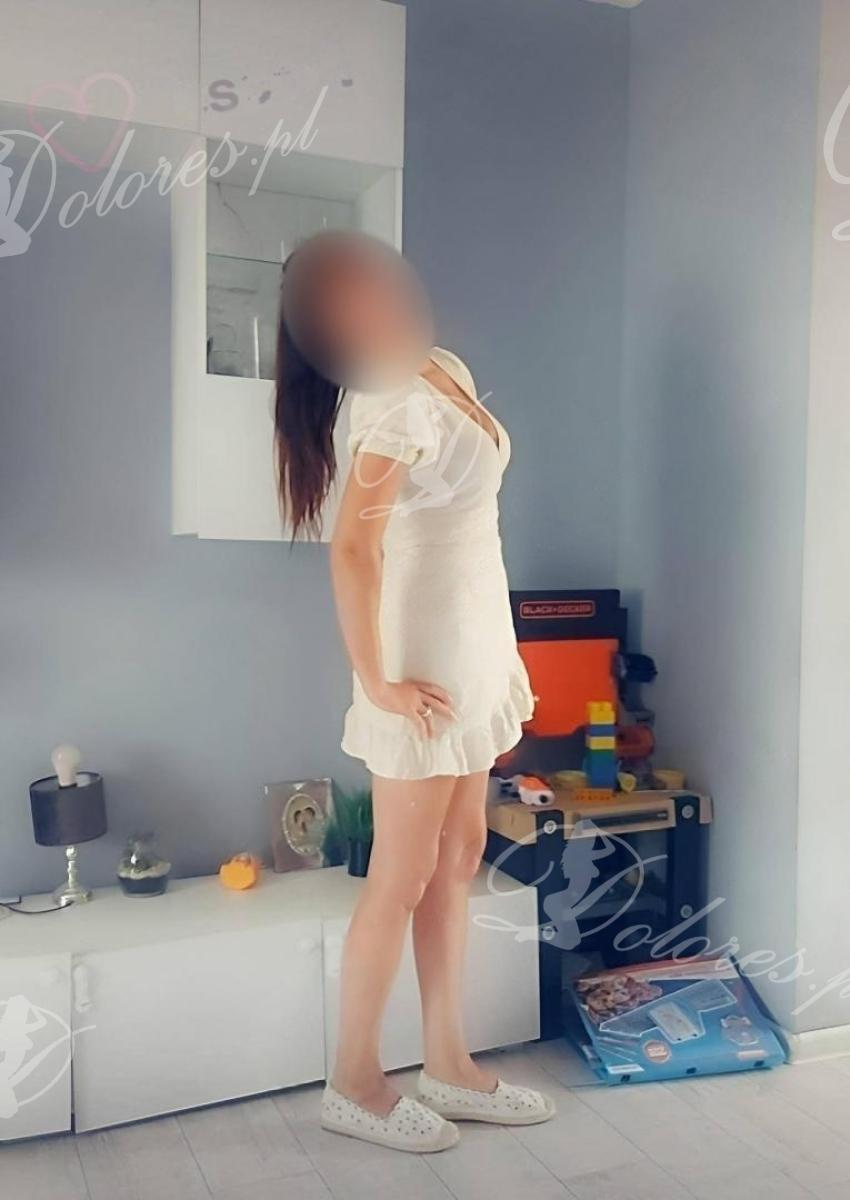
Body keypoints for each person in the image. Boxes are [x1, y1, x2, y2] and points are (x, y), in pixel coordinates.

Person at [274, 231, 555, 1153]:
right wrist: (378, 683)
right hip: (421, 653)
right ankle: (353, 1082)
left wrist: (496, 661)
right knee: (400, 872)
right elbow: (354, 548)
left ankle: (448, 1063)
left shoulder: (440, 367)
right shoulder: (390, 400)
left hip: (471, 640)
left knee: (461, 849)